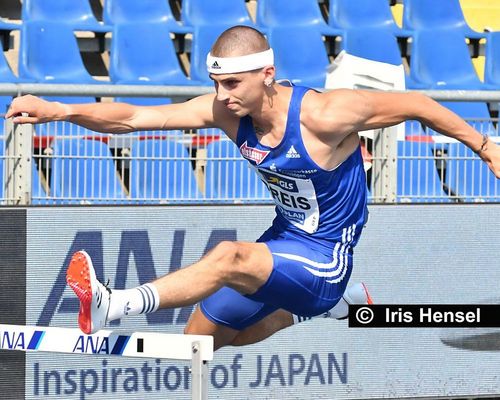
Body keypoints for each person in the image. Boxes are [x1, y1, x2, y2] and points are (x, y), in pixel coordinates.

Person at [6, 26, 500, 351]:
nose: (222, 97)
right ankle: (327, 309)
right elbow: (136, 116)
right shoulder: (228, 111)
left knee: (229, 257)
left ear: (268, 75)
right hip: (283, 243)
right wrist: (62, 111)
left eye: (234, 85)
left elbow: (420, 104)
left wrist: (485, 145)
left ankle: (113, 303)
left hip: (327, 256)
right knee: (202, 339)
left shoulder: (324, 115)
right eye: (217, 85)